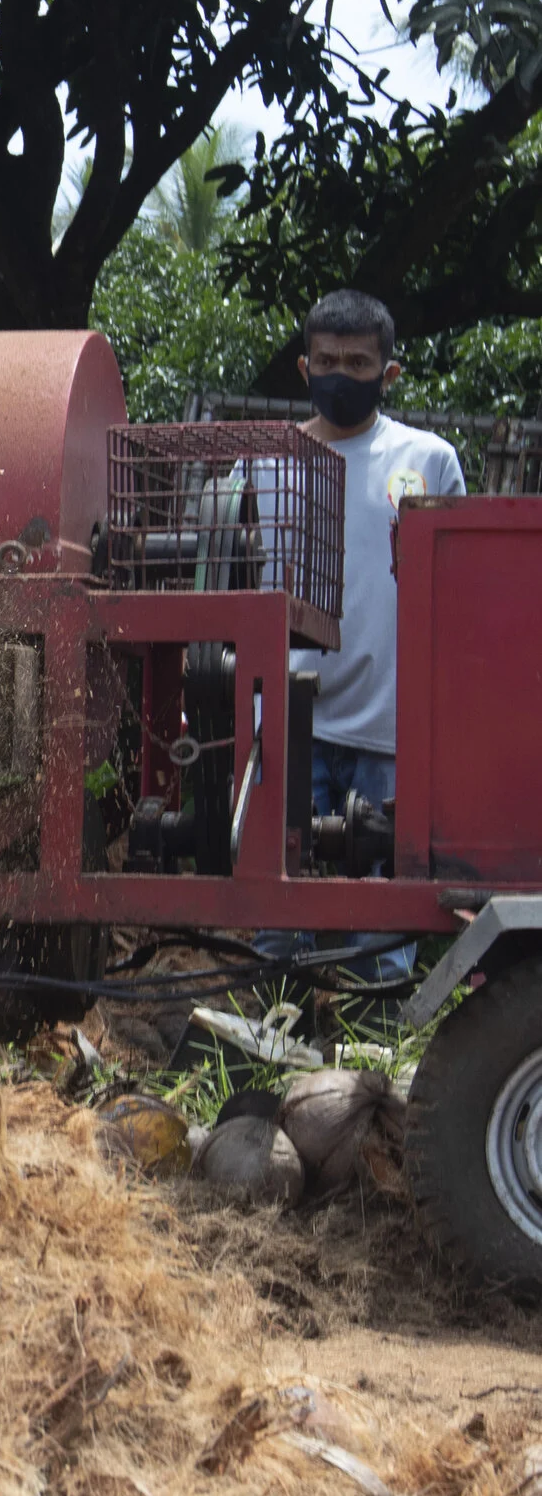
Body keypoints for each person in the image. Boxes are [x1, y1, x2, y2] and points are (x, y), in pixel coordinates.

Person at [281, 289, 466, 979]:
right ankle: (260, 1062)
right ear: (304, 369)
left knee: (382, 935)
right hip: (293, 727)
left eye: (358, 363)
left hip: (391, 733)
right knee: (276, 924)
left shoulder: (428, 461)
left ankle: (369, 1077)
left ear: (388, 375)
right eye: (326, 360)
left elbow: (456, 599)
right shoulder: (266, 465)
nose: (340, 375)